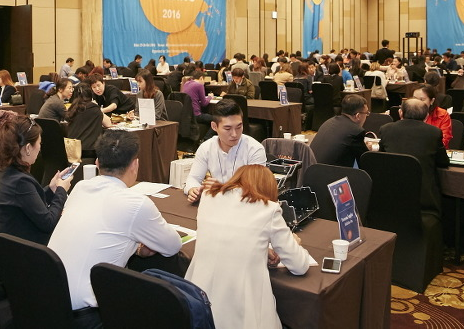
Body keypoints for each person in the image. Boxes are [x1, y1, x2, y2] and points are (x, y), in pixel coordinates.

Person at [47, 130, 182, 322]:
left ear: (97, 163)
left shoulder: (80, 187)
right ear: (135, 165)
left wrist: (136, 249)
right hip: (87, 315)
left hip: (48, 300)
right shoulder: (136, 204)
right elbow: (173, 246)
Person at [186, 165, 312, 329]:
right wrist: (294, 243)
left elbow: (228, 232)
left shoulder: (209, 197)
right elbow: (299, 266)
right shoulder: (269, 209)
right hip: (241, 311)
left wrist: (260, 248)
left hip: (197, 301)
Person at [0, 112, 72, 245]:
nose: (40, 149)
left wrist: (51, 189)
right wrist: (61, 191)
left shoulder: (2, 171)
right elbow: (48, 222)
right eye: (39, 143)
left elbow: (30, 203)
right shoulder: (20, 181)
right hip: (22, 249)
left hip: (3, 245)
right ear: (27, 148)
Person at [184, 100, 267, 202]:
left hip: (245, 206)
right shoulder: (206, 147)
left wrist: (222, 189)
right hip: (216, 204)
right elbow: (193, 178)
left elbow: (255, 189)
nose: (234, 134)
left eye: (239, 127)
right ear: (214, 126)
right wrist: (193, 189)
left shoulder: (255, 149)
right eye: (228, 129)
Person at [378, 99, 449, 215]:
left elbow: (381, 157)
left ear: (400, 113)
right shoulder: (434, 132)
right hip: (424, 196)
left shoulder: (386, 129)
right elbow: (443, 162)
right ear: (426, 116)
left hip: (390, 192)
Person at [309, 94, 369, 167]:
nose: (367, 116)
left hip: (310, 169)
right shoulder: (356, 131)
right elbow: (366, 161)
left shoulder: (330, 121)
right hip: (328, 173)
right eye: (366, 113)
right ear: (358, 116)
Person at [66, 84, 112, 157]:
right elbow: (108, 124)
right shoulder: (93, 108)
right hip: (89, 151)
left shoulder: (72, 108)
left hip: (72, 150)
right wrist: (97, 107)